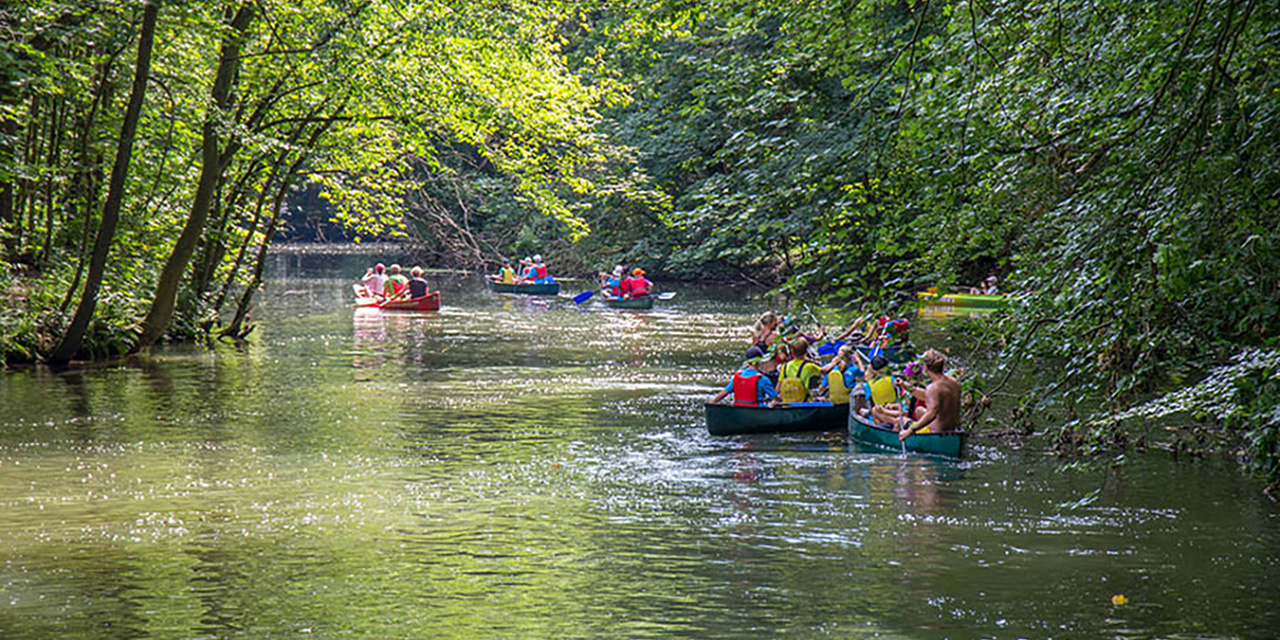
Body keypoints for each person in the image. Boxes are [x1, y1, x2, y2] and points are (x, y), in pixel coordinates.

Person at [898, 349, 962, 439]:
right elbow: (928, 396)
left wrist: (909, 431)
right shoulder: (954, 382)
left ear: (926, 368)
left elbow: (932, 413)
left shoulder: (933, 388)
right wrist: (904, 385)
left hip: (937, 433)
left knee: (901, 420)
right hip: (954, 430)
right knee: (919, 410)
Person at [709, 352, 781, 408]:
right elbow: (775, 398)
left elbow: (723, 393)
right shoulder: (763, 379)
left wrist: (712, 403)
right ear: (760, 363)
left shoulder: (737, 377)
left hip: (739, 409)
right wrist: (780, 398)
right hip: (757, 410)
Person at [777, 337, 823, 404]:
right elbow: (825, 370)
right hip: (803, 403)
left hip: (787, 403)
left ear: (792, 351)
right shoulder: (809, 366)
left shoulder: (785, 366)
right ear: (806, 351)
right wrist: (836, 361)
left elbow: (778, 388)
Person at [864, 355, 906, 425]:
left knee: (864, 411)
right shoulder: (892, 379)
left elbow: (870, 403)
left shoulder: (867, 385)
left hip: (882, 412)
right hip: (894, 410)